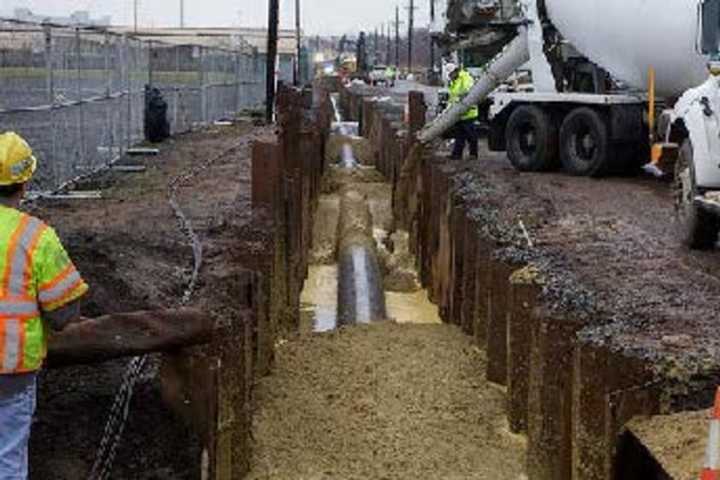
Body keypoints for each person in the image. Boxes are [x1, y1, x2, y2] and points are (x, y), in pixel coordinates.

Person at [0, 132, 89, 480]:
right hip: (14, 367)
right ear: (24, 183)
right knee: (8, 454)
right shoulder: (36, 236)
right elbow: (65, 313)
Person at [448, 66, 480, 160]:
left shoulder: (465, 78)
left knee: (471, 135)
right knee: (459, 136)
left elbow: (468, 91)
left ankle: (473, 154)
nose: (450, 77)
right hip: (459, 113)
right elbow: (452, 97)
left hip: (468, 113)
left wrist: (459, 100)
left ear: (455, 71)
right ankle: (457, 155)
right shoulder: (455, 81)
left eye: (451, 75)